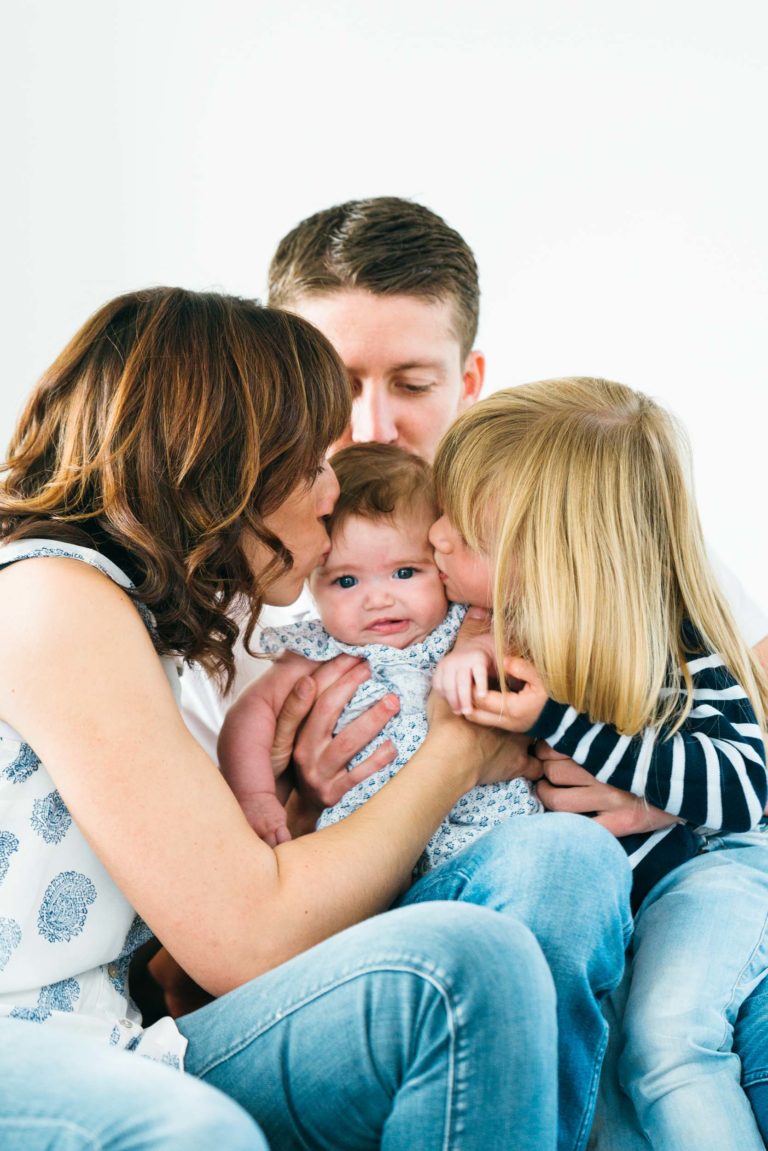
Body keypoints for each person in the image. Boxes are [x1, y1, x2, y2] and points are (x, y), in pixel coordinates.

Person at [0, 286, 630, 1151]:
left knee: (529, 899)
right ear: (225, 467)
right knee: (455, 974)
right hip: (48, 1049)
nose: (333, 492)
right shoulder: (52, 594)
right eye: (310, 463)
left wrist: (293, 819)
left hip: (135, 1040)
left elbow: (187, 948)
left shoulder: (148, 622)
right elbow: (241, 938)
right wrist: (456, 748)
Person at [427, 376, 768, 1150]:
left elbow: (747, 788)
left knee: (669, 1039)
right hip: (620, 918)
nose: (437, 537)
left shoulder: (672, 641)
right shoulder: (466, 628)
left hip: (713, 874)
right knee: (608, 1098)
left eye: (467, 533)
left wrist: (559, 720)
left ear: (551, 557)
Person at [218, 442, 541, 861]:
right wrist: (257, 796)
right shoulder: (316, 654)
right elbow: (248, 717)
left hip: (485, 832)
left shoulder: (467, 622)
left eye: (404, 572)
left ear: (441, 564)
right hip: (373, 848)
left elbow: (535, 660)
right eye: (346, 582)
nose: (378, 600)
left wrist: (478, 649)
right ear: (312, 586)